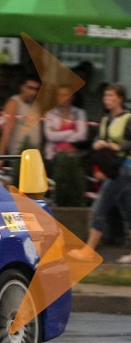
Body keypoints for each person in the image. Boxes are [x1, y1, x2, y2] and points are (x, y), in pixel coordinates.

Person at [70, 84, 131, 263]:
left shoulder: (128, 118)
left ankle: (89, 250)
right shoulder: (105, 119)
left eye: (111, 96)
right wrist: (98, 143)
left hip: (124, 168)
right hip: (112, 169)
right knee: (128, 210)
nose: (107, 99)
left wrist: (117, 146)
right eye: (105, 96)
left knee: (100, 207)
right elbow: (99, 138)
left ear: (120, 98)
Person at [0, 74, 42, 169]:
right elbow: (6, 131)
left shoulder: (36, 104)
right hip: (19, 155)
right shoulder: (14, 102)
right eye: (30, 88)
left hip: (35, 154)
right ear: (22, 87)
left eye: (36, 89)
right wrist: (0, 157)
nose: (33, 92)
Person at [43, 85, 88, 164]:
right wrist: (72, 131)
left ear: (72, 97)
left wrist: (57, 133)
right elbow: (50, 136)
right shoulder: (50, 114)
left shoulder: (80, 113)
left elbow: (82, 136)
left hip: (75, 156)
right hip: (53, 156)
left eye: (66, 94)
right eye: (60, 95)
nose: (63, 97)